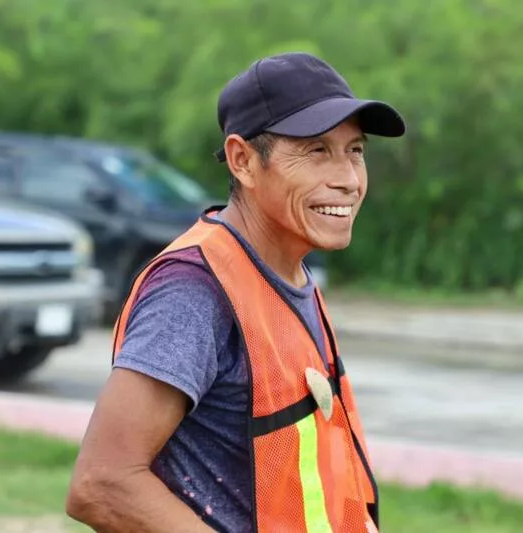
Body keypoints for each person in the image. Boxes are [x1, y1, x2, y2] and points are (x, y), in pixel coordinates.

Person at [66, 52, 406, 533]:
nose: (348, 180)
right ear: (243, 160)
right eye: (316, 151)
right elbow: (102, 484)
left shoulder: (289, 273)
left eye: (354, 151)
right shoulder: (195, 291)